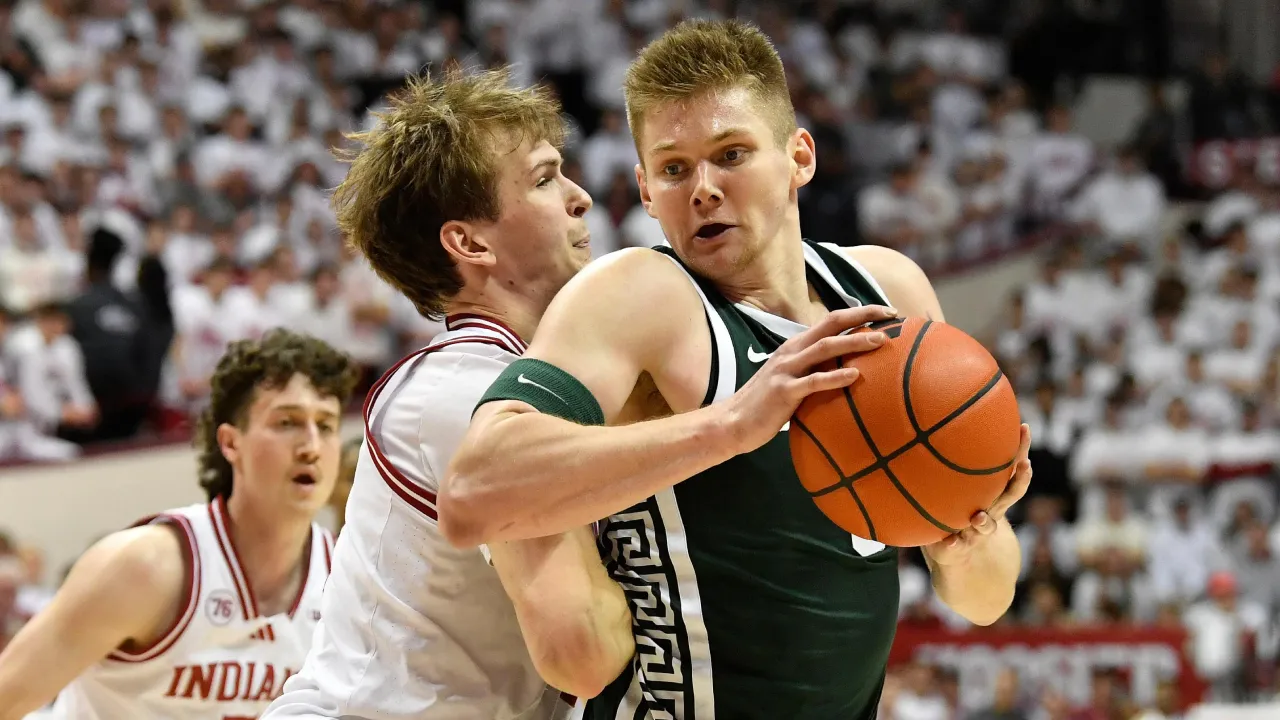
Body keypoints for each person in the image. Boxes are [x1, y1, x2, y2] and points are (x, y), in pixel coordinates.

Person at [446, 20, 1032, 720]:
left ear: (800, 157)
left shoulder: (887, 292)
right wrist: (729, 426)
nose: (702, 188)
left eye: (730, 155)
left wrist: (973, 532)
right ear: (643, 190)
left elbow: (985, 600)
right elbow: (473, 490)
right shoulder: (642, 296)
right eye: (673, 169)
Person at [260, 69, 632, 720]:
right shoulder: (469, 394)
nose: (582, 199)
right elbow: (583, 653)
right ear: (469, 241)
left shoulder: (524, 374)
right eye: (545, 179)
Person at [0, 328, 360, 719]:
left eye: (325, 425)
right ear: (231, 443)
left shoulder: (349, 581)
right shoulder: (144, 567)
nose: (310, 446)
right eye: (287, 422)